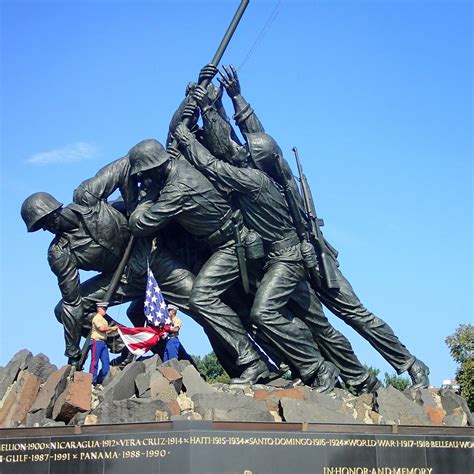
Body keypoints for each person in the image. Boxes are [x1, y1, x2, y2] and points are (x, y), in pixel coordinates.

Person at [213, 64, 430, 389]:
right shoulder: (269, 169)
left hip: (315, 258)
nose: (243, 153)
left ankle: (412, 364)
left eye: (249, 154)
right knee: (318, 326)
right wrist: (234, 99)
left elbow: (258, 144)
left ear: (260, 163)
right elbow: (259, 138)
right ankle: (353, 379)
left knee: (355, 314)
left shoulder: (280, 180)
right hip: (291, 261)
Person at [20, 157, 197, 368]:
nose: (47, 227)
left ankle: (243, 361)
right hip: (121, 278)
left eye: (46, 220)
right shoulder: (59, 253)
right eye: (41, 226)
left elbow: (125, 165)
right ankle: (126, 346)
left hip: (150, 257)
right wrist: (73, 352)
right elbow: (72, 303)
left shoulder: (87, 196)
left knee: (199, 300)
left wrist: (134, 210)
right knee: (62, 310)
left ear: (54, 209)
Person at [89, 302, 118, 385]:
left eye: (105, 308)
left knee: (106, 362)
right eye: (103, 308)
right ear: (98, 308)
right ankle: (92, 381)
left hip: (103, 342)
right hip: (96, 341)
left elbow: (106, 330)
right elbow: (101, 328)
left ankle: (103, 381)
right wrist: (111, 327)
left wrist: (113, 329)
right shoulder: (97, 318)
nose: (105, 310)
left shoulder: (104, 320)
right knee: (95, 361)